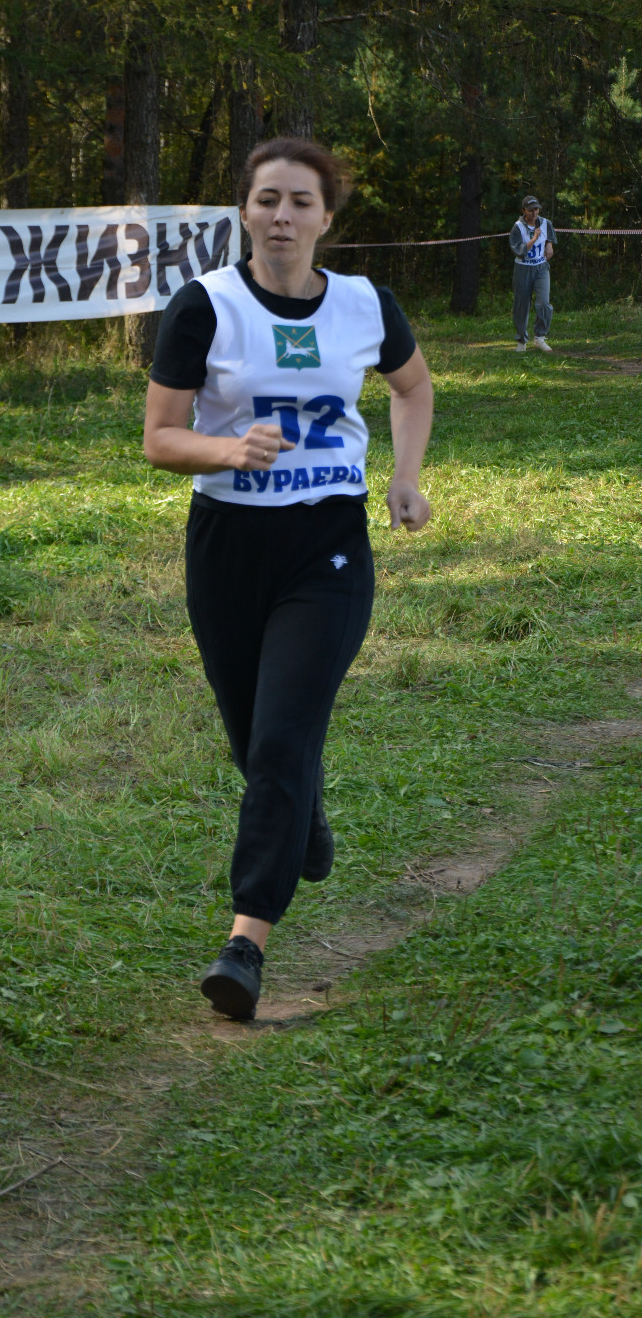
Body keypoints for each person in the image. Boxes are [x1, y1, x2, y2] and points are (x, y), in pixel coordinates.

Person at [143, 137, 434, 1021]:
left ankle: (245, 944)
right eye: (267, 199)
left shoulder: (365, 304)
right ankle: (303, 820)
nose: (282, 215)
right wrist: (227, 449)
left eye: (301, 201)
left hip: (327, 547)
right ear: (244, 212)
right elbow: (160, 437)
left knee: (280, 739)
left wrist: (406, 476)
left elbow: (412, 388)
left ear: (326, 218)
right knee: (253, 738)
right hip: (227, 546)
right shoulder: (206, 305)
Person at [509, 195, 557, 353]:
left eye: (536, 209)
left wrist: (549, 244)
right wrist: (534, 238)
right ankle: (521, 340)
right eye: (530, 210)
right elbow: (519, 251)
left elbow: (550, 236)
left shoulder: (545, 223)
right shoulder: (517, 228)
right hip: (523, 269)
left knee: (544, 303)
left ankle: (540, 337)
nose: (534, 213)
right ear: (524, 211)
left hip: (541, 267)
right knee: (521, 305)